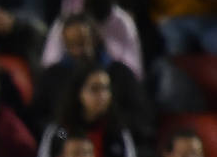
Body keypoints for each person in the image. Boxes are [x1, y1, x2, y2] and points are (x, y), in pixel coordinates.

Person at [34, 13, 150, 143]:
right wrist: (65, 138)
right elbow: (40, 118)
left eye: (83, 42)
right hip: (68, 146)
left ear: (95, 39)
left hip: (111, 144)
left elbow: (140, 117)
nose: (78, 50)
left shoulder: (120, 73)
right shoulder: (53, 76)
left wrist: (109, 131)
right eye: (72, 44)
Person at [36, 65, 141, 157]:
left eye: (106, 89)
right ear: (79, 93)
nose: (102, 96)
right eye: (95, 89)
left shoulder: (117, 132)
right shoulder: (61, 132)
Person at [40, 0, 144, 81]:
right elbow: (49, 61)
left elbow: (135, 69)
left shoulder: (123, 22)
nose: (98, 30)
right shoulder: (68, 20)